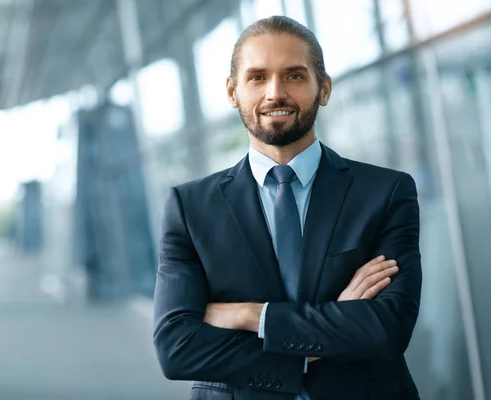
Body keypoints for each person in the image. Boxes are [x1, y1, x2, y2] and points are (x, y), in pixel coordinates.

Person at [153, 15, 421, 400]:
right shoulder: (190, 206)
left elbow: (386, 328)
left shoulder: (385, 192)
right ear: (232, 92)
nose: (275, 93)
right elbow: (177, 348)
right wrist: (315, 344)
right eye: (257, 77)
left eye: (294, 76)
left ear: (323, 88)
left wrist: (252, 316)